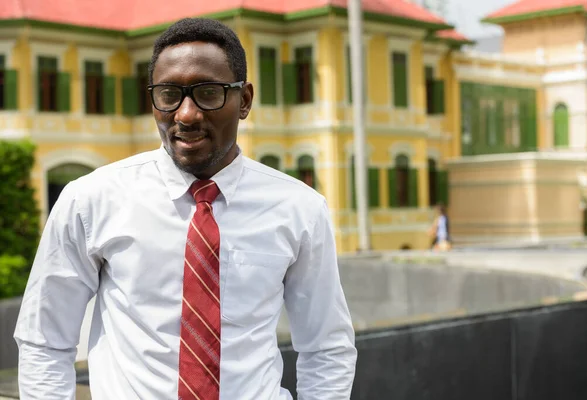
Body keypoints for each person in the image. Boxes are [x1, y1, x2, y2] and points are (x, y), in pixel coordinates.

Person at [14, 18, 357, 400]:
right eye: (168, 94)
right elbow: (44, 339)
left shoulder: (300, 208)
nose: (186, 114)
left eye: (208, 93)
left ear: (243, 100)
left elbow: (326, 346)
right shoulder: (91, 200)